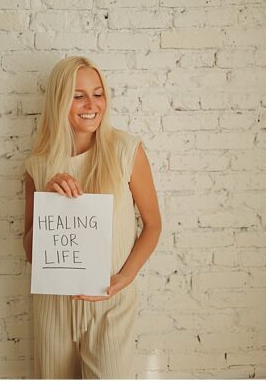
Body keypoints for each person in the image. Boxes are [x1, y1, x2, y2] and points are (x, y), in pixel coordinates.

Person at [21, 56, 162, 378]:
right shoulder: (38, 166)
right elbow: (30, 252)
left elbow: (153, 225)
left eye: (98, 94)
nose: (91, 104)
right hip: (53, 304)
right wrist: (48, 199)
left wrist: (124, 279)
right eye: (78, 95)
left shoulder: (127, 150)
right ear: (59, 100)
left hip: (111, 300)